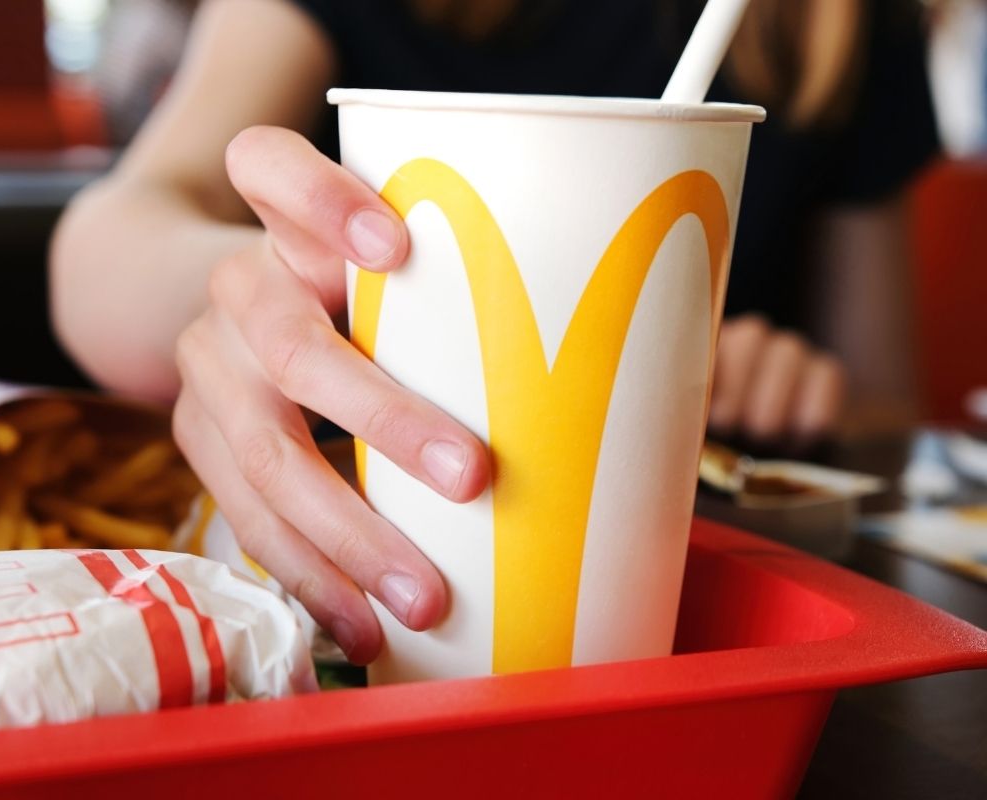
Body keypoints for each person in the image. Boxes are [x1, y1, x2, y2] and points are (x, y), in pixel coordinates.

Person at [51, 0, 939, 663]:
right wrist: (265, 298)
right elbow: (102, 246)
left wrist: (804, 389)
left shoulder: (836, 21)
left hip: (713, 613)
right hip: (376, 605)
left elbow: (887, 399)